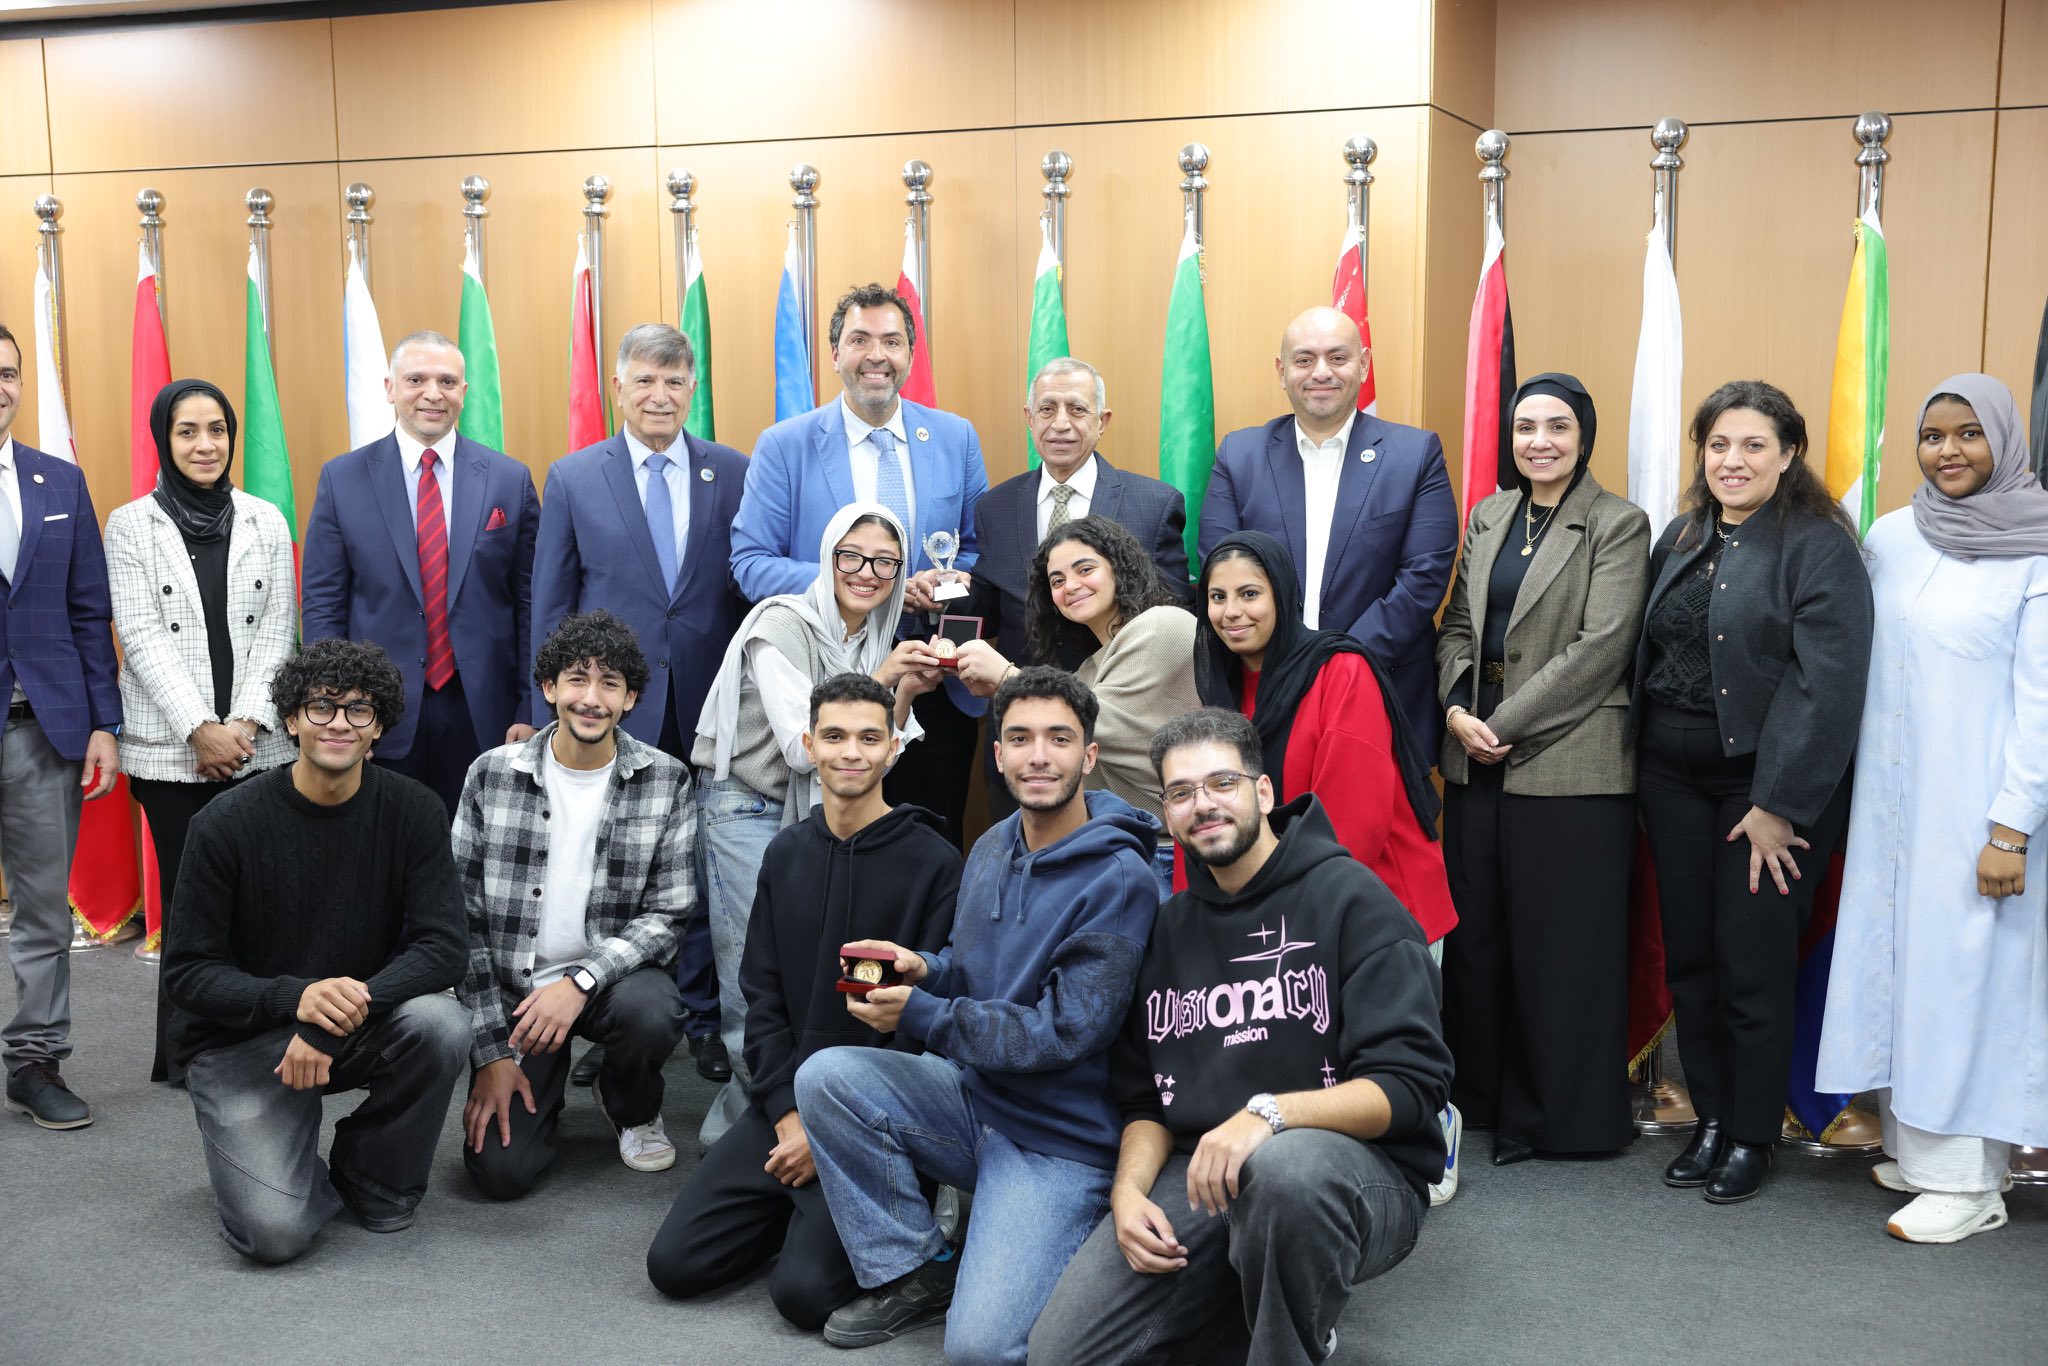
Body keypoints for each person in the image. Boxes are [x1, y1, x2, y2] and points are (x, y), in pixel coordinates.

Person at [1030, 708, 1452, 1366]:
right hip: (1203, 1176)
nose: (1202, 805)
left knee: (1284, 1175)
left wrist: (1269, 1115)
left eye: (1221, 783)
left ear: (1263, 792)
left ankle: (1289, 1334)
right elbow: (1145, 1102)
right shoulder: (1167, 930)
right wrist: (1128, 1193)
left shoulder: (1353, 901)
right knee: (1062, 1354)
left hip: (1356, 1175)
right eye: (1180, 793)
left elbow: (1411, 1087)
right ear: (1167, 815)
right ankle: (1253, 1303)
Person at [793, 668, 1159, 1361]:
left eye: (1058, 739)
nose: (1038, 756)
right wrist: (923, 969)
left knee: (979, 1351)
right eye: (1019, 738)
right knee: (826, 1077)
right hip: (974, 1101)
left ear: (1089, 756)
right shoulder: (992, 845)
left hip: (1057, 1141)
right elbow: (970, 966)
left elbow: (1062, 1034)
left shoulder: (1119, 880)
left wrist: (924, 1013)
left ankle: (1068, 1237)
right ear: (997, 753)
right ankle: (921, 1267)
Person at [647, 673, 961, 1327]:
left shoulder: (936, 863)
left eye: (869, 738)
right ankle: (792, 1213)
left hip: (874, 1123)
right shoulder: (786, 852)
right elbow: (761, 998)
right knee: (674, 1265)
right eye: (835, 736)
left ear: (893, 748)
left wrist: (830, 1132)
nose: (851, 752)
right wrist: (789, 1115)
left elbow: (922, 1028)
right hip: (786, 1107)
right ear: (809, 745)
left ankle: (880, 1232)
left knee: (803, 1297)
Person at [1816, 374, 2048, 1244]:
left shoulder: (2036, 546)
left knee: (1963, 985)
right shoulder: (1893, 534)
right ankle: (1922, 1153)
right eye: (1933, 435)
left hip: (1981, 817)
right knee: (1897, 973)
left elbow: (2043, 704)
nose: (1948, 451)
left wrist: (2010, 828)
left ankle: (1968, 1185)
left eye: (1968, 434)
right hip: (1890, 810)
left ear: (2004, 441)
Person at [1631, 379, 1873, 1204]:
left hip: (1763, 792)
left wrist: (1779, 806)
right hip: (1669, 779)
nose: (1731, 461)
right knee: (1693, 961)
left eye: (1753, 446)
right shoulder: (1682, 533)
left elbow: (1828, 689)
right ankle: (1711, 1117)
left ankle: (1751, 1133)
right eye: (1718, 445)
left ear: (1790, 453)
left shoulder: (1819, 545)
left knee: (1753, 963)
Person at [161, 639, 469, 1263]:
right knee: (274, 1235)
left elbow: (443, 948)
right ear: (291, 719)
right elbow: (188, 974)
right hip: (239, 1044)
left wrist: (328, 1021)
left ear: (378, 726)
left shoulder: (414, 811)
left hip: (346, 1028)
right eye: (322, 706)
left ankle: (373, 1173)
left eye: (359, 709)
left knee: (441, 1023)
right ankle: (289, 1169)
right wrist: (297, 999)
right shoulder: (223, 824)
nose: (339, 723)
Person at [1195, 529, 1462, 1202]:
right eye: (1218, 597)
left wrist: (1273, 913)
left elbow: (1353, 817)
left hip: (1375, 893)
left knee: (1385, 1051)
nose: (1232, 612)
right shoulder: (1220, 683)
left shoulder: (1340, 668)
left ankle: (1437, 1123)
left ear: (1283, 595)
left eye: (1250, 594)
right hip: (1279, 896)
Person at [1433, 374, 1648, 1169]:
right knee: (1479, 940)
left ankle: (1560, 1120)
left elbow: (1602, 648)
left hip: (1571, 764)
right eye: (1526, 427)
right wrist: (1456, 708)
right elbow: (1457, 627)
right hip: (1475, 757)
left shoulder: (1617, 523)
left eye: (1558, 426)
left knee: (1560, 948)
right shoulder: (1490, 514)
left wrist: (1503, 722)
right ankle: (1483, 1103)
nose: (1540, 442)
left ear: (1583, 436)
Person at [530, 322, 749, 1085]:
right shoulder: (573, 477)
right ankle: (613, 1019)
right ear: (618, 387)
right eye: (645, 380)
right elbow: (552, 599)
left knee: (706, 863)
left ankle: (705, 1017)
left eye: (675, 381)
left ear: (693, 390)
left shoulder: (732, 470)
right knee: (616, 863)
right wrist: (545, 703)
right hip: (611, 704)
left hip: (711, 700)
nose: (660, 395)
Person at [689, 502, 943, 1145]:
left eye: (885, 562)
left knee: (807, 975)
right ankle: (756, 1136)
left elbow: (870, 754)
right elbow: (807, 747)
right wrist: (883, 679)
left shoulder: (871, 635)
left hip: (818, 816)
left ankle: (798, 1123)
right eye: (852, 556)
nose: (867, 572)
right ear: (828, 557)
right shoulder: (780, 623)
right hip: (748, 805)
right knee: (751, 980)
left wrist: (904, 692)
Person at [732, 283, 991, 846]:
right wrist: (865, 582)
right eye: (860, 340)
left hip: (932, 681)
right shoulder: (784, 445)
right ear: (835, 354)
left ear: (910, 354)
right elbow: (750, 563)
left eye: (892, 342)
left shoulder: (955, 437)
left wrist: (947, 582)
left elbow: (978, 550)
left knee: (929, 847)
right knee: (837, 846)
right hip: (832, 677)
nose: (877, 355)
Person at [454, 611, 693, 1196]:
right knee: (501, 1175)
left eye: (610, 683)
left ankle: (631, 1104)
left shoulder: (665, 779)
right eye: (577, 679)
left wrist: (581, 981)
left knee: (652, 1010)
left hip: (609, 983)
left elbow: (669, 914)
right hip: (517, 994)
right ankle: (541, 1089)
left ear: (630, 698)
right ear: (549, 688)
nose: (591, 699)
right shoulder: (491, 774)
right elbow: (462, 921)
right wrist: (491, 1054)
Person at [105, 379, 297, 1085]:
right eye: (187, 431)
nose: (205, 444)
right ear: (166, 438)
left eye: (216, 429)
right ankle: (185, 1052)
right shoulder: (131, 525)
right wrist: (201, 730)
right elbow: (140, 635)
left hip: (257, 746)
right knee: (191, 905)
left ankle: (260, 1043)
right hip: (170, 752)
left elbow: (278, 630)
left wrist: (241, 724)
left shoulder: (266, 519)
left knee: (261, 901)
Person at [301, 329, 539, 818]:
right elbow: (323, 605)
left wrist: (530, 707)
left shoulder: (508, 479)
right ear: (390, 388)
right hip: (376, 713)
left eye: (447, 381)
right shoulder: (342, 479)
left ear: (464, 392)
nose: (433, 393)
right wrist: (338, 712)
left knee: (477, 852)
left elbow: (530, 604)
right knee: (384, 848)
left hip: (486, 715)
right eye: (416, 380)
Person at [1198, 305, 1458, 750]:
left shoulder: (1415, 454)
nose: (1321, 372)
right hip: (1263, 689)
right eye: (1304, 359)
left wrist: (1336, 664)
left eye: (1338, 357)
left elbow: (1423, 579)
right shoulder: (1238, 455)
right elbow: (1220, 568)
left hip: (1379, 685)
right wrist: (1285, 663)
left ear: (1364, 365)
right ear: (1282, 371)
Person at [968, 358, 1188, 818]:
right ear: (1029, 418)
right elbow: (987, 605)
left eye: (1077, 409)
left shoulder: (1154, 503)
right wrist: (941, 596)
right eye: (1047, 409)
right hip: (1021, 738)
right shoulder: (994, 507)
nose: (1061, 423)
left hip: (1125, 741)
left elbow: (1170, 611)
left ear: (1102, 420)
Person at [0, 322, 121, 1132]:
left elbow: (88, 610)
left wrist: (104, 721)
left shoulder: (60, 482)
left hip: (41, 729)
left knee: (44, 909)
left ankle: (35, 1061)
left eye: (8, 373)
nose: (0, 386)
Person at [953, 515, 1198, 894]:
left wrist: (1006, 677)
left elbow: (1099, 723)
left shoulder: (1164, 624)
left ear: (1119, 567)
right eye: (1057, 580)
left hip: (1168, 856)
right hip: (1113, 850)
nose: (1071, 586)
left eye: (1085, 569)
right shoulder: (1088, 669)